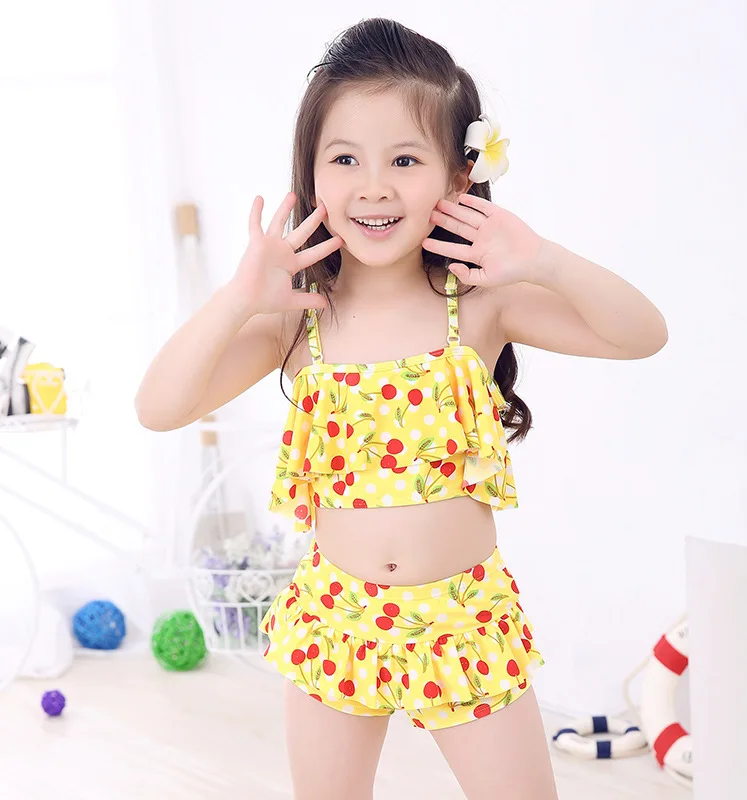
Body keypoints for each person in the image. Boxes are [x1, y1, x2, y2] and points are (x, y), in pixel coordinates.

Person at [135, 17, 667, 800]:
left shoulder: (479, 303)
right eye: (345, 158)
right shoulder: (297, 319)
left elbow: (642, 335)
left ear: (458, 178)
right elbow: (158, 407)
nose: (374, 186)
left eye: (405, 160)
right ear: (311, 176)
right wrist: (236, 298)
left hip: (461, 618)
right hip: (337, 615)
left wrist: (546, 261)